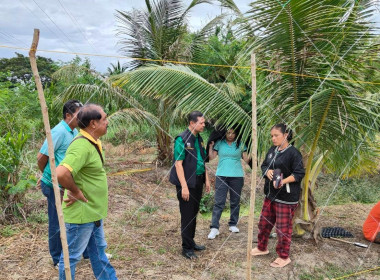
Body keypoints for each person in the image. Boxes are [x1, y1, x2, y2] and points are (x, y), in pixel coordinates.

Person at [56, 104, 118, 280]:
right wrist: (74, 191)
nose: (107, 122)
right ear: (93, 123)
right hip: (81, 215)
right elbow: (61, 173)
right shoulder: (81, 145)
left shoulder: (93, 142)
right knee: (72, 258)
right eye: (104, 119)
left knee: (98, 253)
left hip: (93, 212)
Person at [251, 123, 305, 268]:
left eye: (276, 135)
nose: (273, 139)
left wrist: (283, 181)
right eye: (272, 136)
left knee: (283, 228)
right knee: (264, 224)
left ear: (286, 135)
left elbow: (299, 174)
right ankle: (262, 248)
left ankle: (283, 256)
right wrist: (267, 171)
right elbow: (264, 165)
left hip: (286, 198)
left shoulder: (294, 153)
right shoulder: (272, 150)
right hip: (270, 195)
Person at [37, 99, 83, 268]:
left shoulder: (74, 131)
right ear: (68, 115)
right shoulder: (58, 132)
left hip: (66, 183)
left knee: (77, 217)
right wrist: (48, 177)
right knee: (56, 221)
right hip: (54, 185)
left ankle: (82, 251)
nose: (82, 117)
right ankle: (57, 259)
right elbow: (41, 158)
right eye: (79, 114)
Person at [169, 111, 211, 259]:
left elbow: (202, 160)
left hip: (198, 180)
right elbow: (178, 165)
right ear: (192, 123)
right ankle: (186, 248)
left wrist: (206, 179)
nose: (204, 125)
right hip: (186, 183)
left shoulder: (199, 139)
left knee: (193, 213)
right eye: (201, 122)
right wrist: (184, 186)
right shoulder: (182, 139)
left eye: (204, 122)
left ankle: (191, 241)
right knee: (187, 215)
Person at [207, 128, 250, 239]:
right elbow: (212, 157)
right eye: (228, 133)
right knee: (219, 202)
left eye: (233, 133)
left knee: (235, 201)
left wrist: (251, 147)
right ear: (225, 133)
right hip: (221, 175)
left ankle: (233, 224)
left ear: (236, 134)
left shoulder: (240, 144)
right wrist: (211, 146)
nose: (230, 135)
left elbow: (246, 159)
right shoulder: (220, 143)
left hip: (237, 176)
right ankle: (214, 227)